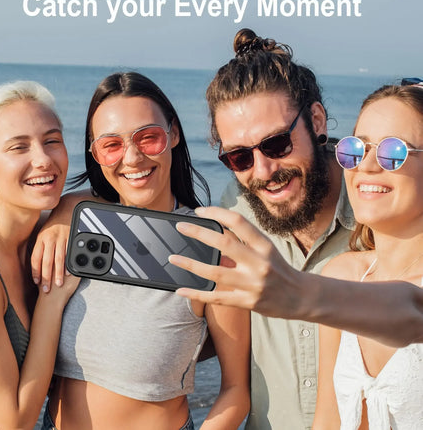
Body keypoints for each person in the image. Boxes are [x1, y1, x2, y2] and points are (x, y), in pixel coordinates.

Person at [168, 30, 423, 429]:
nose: (263, 171)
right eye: (238, 156)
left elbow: (411, 309)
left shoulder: (374, 208)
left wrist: (296, 294)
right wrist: (65, 214)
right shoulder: (236, 210)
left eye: (276, 144)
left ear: (317, 121)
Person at [33, 72, 250, 429]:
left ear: (174, 134)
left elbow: (237, 390)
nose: (132, 158)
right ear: (96, 154)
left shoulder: (211, 246)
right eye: (111, 145)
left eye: (148, 138)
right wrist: (64, 210)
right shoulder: (75, 225)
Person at [0, 81, 79, 429]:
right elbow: (14, 422)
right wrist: (52, 301)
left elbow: (104, 195)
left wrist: (62, 215)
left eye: (52, 141)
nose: (43, 159)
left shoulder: (40, 233)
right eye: (19, 147)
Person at [311, 84, 423, 428]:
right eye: (355, 149)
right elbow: (328, 418)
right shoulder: (340, 276)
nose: (367, 166)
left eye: (394, 151)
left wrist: (290, 294)